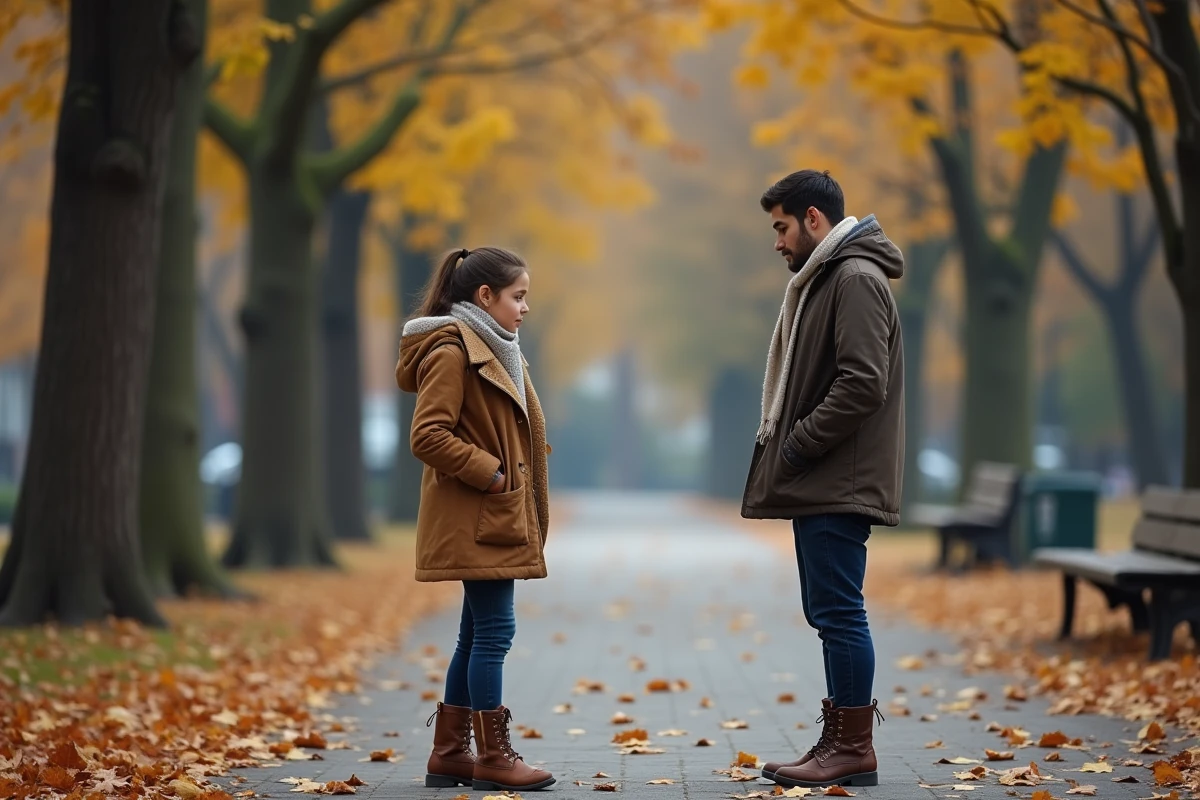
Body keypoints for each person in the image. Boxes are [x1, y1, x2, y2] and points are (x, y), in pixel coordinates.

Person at [742, 170, 905, 789]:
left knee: (839, 613)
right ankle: (839, 741)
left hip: (840, 477)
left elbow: (864, 381)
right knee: (828, 611)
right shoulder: (830, 278)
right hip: (829, 476)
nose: (778, 242)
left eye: (782, 227)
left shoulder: (854, 279)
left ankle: (852, 749)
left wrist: (800, 443)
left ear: (814, 219)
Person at [396, 246, 554, 793]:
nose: (524, 308)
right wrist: (491, 473)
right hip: (479, 512)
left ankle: (450, 755)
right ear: (485, 297)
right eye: (518, 296)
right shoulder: (452, 350)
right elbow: (427, 435)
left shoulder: (491, 344)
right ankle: (493, 756)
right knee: (494, 632)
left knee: (474, 633)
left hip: (491, 514)